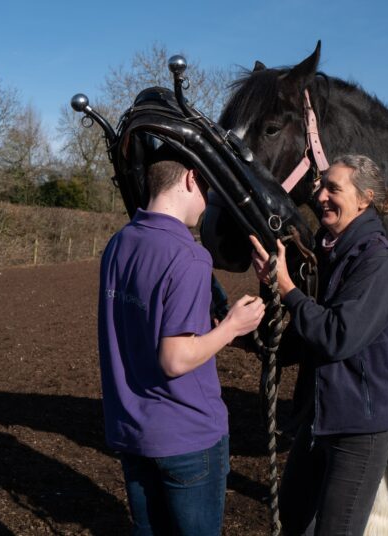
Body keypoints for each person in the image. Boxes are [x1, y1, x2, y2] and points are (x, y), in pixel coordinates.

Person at [98, 145, 265, 535]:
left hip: (132, 431)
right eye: (206, 187)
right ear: (191, 178)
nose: (207, 202)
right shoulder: (188, 256)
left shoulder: (119, 244)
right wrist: (232, 327)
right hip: (186, 436)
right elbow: (174, 358)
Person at [250, 154, 388, 535]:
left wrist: (287, 289)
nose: (320, 195)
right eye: (320, 186)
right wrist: (241, 330)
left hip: (359, 426)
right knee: (293, 520)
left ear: (364, 199)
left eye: (333, 188)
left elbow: (338, 335)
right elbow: (301, 339)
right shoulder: (328, 255)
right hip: (317, 415)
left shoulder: (380, 262)